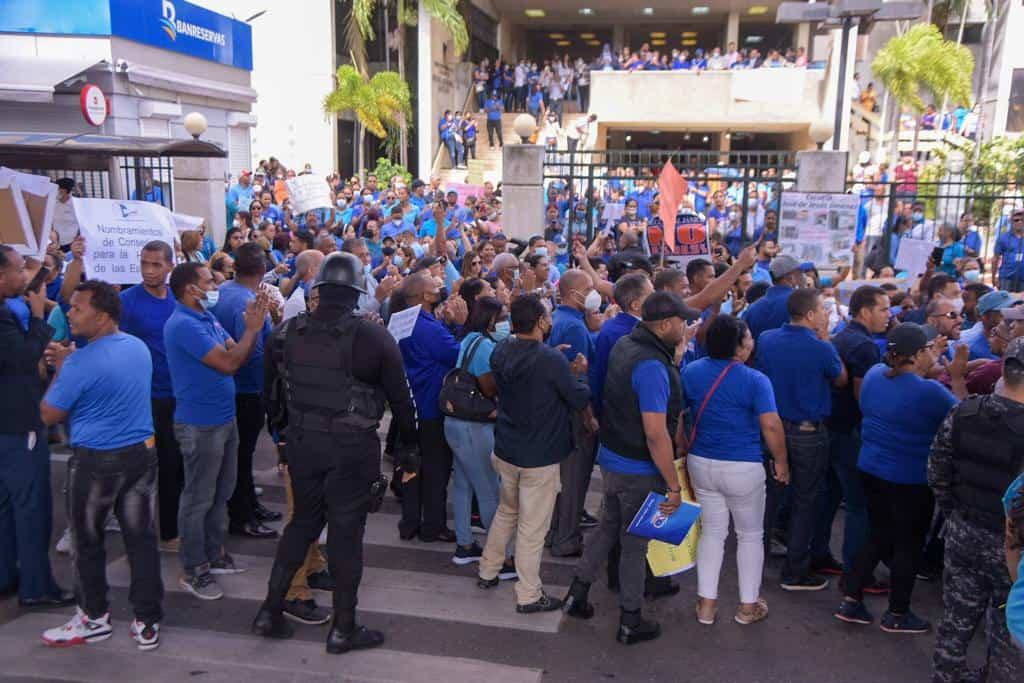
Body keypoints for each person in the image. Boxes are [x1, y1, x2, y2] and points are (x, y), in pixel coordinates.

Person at [252, 252, 419, 653]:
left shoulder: (287, 332)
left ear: (320, 289)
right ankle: (344, 627)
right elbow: (403, 402)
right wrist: (410, 450)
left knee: (301, 525)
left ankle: (270, 610)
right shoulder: (373, 337)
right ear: (357, 294)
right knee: (346, 535)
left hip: (303, 444)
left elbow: (270, 394)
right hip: (351, 448)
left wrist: (284, 434)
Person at [563, 292, 699, 644]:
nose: (685, 329)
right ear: (666, 324)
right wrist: (672, 485)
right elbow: (656, 434)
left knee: (608, 528)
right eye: (682, 323)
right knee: (634, 545)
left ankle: (577, 594)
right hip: (639, 468)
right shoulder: (653, 366)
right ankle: (630, 619)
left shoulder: (626, 344)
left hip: (613, 458)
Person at [39, 281, 164, 650]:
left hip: (97, 462)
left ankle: (93, 617)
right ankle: (147, 620)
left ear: (103, 315)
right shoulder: (137, 347)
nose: (69, 314)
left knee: (88, 540)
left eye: (77, 308)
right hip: (142, 455)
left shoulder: (80, 361)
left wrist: (62, 368)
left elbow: (48, 413)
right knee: (141, 539)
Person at [835, 323, 966, 633]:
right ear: (918, 354)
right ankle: (897, 613)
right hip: (910, 478)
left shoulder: (875, 375)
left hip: (871, 467)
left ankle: (850, 600)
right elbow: (965, 419)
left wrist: (926, 362)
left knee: (877, 533)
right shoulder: (929, 391)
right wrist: (957, 377)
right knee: (908, 544)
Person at [477, 294, 590, 613]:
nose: (551, 320)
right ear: (540, 321)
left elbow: (529, 377)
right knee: (531, 528)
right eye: (548, 316)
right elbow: (577, 397)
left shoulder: (503, 349)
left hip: (507, 448)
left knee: (507, 512)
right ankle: (528, 594)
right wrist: (580, 373)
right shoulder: (549, 360)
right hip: (537, 456)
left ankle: (488, 569)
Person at [164, 262, 269, 600]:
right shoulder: (182, 324)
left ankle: (213, 554)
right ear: (190, 290)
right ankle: (193, 568)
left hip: (224, 419)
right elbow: (230, 361)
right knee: (198, 498)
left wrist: (250, 331)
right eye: (209, 281)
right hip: (200, 424)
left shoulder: (205, 318)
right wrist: (252, 330)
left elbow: (234, 350)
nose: (217, 284)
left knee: (221, 491)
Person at [682, 315, 789, 626]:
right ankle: (747, 606)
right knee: (750, 535)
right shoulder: (756, 380)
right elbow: (770, 424)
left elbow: (680, 412)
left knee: (712, 532)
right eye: (749, 338)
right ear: (739, 346)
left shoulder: (692, 371)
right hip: (743, 466)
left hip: (701, 462)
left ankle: (706, 605)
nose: (752, 342)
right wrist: (781, 460)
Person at [929, 337, 1024, 682]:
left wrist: (954, 512)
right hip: (1011, 547)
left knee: (956, 617)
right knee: (1004, 626)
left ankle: (945, 676)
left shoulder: (965, 410)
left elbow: (937, 471)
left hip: (963, 531)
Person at [756, 288, 847, 592]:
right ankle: (795, 571)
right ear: (810, 315)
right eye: (822, 309)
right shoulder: (821, 347)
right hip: (808, 433)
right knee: (806, 501)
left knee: (771, 497)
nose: (826, 314)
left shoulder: (767, 339)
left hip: (773, 429)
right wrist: (825, 338)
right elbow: (840, 378)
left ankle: (755, 561)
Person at [0, 246, 74, 608]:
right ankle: (36, 586)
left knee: (6, 506)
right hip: (17, 424)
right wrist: (36, 314)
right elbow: (23, 355)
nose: (23, 276)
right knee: (31, 507)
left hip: (8, 424)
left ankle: (8, 575)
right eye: (18, 270)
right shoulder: (5, 317)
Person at [814, 286, 893, 577]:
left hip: (832, 428)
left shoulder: (843, 338)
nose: (889, 315)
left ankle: (818, 553)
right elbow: (865, 397)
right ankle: (856, 572)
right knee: (859, 505)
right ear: (864, 311)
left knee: (830, 497)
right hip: (850, 433)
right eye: (883, 309)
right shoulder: (863, 345)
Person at [210, 243, 281, 539]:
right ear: (263, 271)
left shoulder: (223, 292)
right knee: (242, 454)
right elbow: (256, 351)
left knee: (242, 454)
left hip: (230, 386)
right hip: (247, 388)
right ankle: (242, 516)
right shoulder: (250, 302)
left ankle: (250, 503)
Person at [118, 241, 181, 551]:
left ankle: (171, 527)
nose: (148, 270)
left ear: (171, 265)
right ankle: (156, 533)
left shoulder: (178, 298)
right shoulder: (127, 301)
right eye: (144, 263)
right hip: (145, 397)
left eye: (156, 264)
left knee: (175, 464)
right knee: (145, 466)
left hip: (179, 395)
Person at [397, 273, 468, 541]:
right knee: (436, 470)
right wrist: (461, 326)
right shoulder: (428, 327)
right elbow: (457, 354)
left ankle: (410, 522)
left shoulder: (404, 319)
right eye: (434, 286)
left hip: (410, 403)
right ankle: (433, 527)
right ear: (425, 296)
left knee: (412, 467)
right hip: (430, 407)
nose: (440, 287)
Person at [443, 296, 509, 567]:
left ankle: (465, 543)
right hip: (475, 426)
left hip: (455, 422)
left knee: (462, 485)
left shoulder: (468, 338)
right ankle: (501, 557)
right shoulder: (485, 347)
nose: (506, 323)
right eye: (503, 317)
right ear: (491, 320)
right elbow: (489, 388)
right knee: (488, 490)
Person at [547, 270, 600, 558]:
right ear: (572, 293)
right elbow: (577, 379)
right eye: (588, 288)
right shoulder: (575, 328)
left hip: (559, 411)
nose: (593, 293)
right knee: (574, 480)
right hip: (573, 412)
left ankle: (556, 532)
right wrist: (588, 414)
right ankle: (566, 538)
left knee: (564, 480)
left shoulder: (563, 320)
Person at [743, 255, 805, 341]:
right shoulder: (800, 303)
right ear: (791, 277)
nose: (803, 277)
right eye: (800, 273)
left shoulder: (752, 308)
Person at [993, 210, 1024, 293]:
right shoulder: (1003, 238)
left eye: (1022, 220)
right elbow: (995, 258)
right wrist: (994, 277)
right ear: (1011, 221)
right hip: (1006, 278)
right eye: (1016, 220)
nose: (1020, 222)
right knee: (1006, 304)